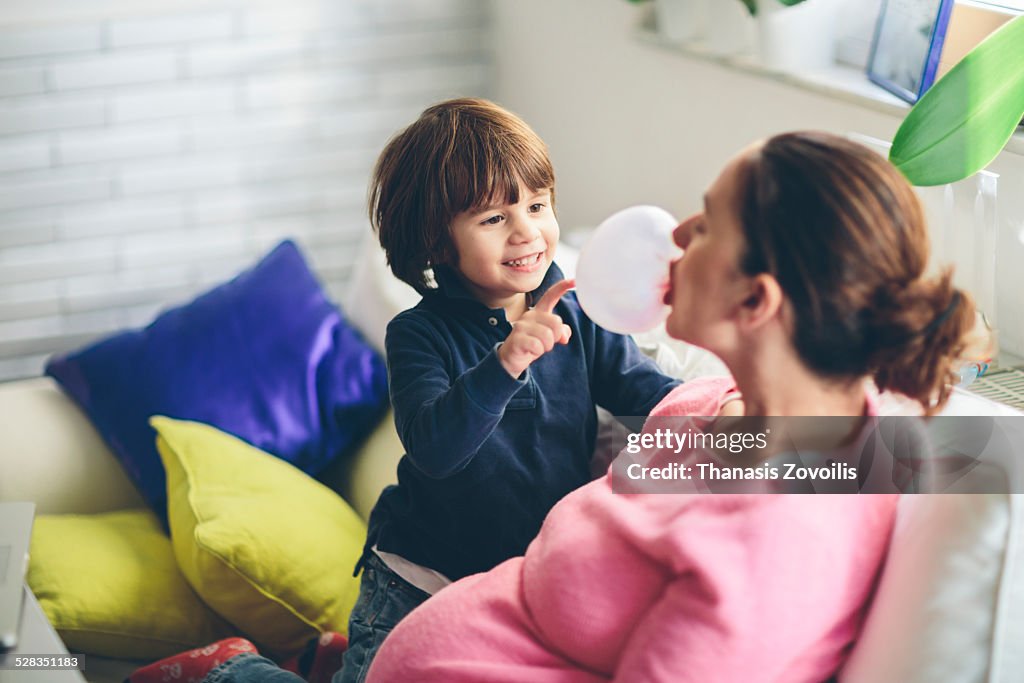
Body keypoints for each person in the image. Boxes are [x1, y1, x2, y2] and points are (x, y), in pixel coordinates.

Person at [363, 131, 976, 683]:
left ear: (756, 299)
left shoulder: (778, 534)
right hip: (429, 588)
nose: (673, 233)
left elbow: (941, 465)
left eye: (706, 224)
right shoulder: (710, 406)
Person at [126, 97, 681, 683]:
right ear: (438, 245)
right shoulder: (419, 333)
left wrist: (750, 426)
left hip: (517, 581)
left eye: (537, 206)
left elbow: (649, 393)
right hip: (418, 580)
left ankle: (326, 657)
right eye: (494, 219)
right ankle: (230, 671)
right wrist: (507, 361)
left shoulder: (577, 310)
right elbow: (436, 449)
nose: (527, 232)